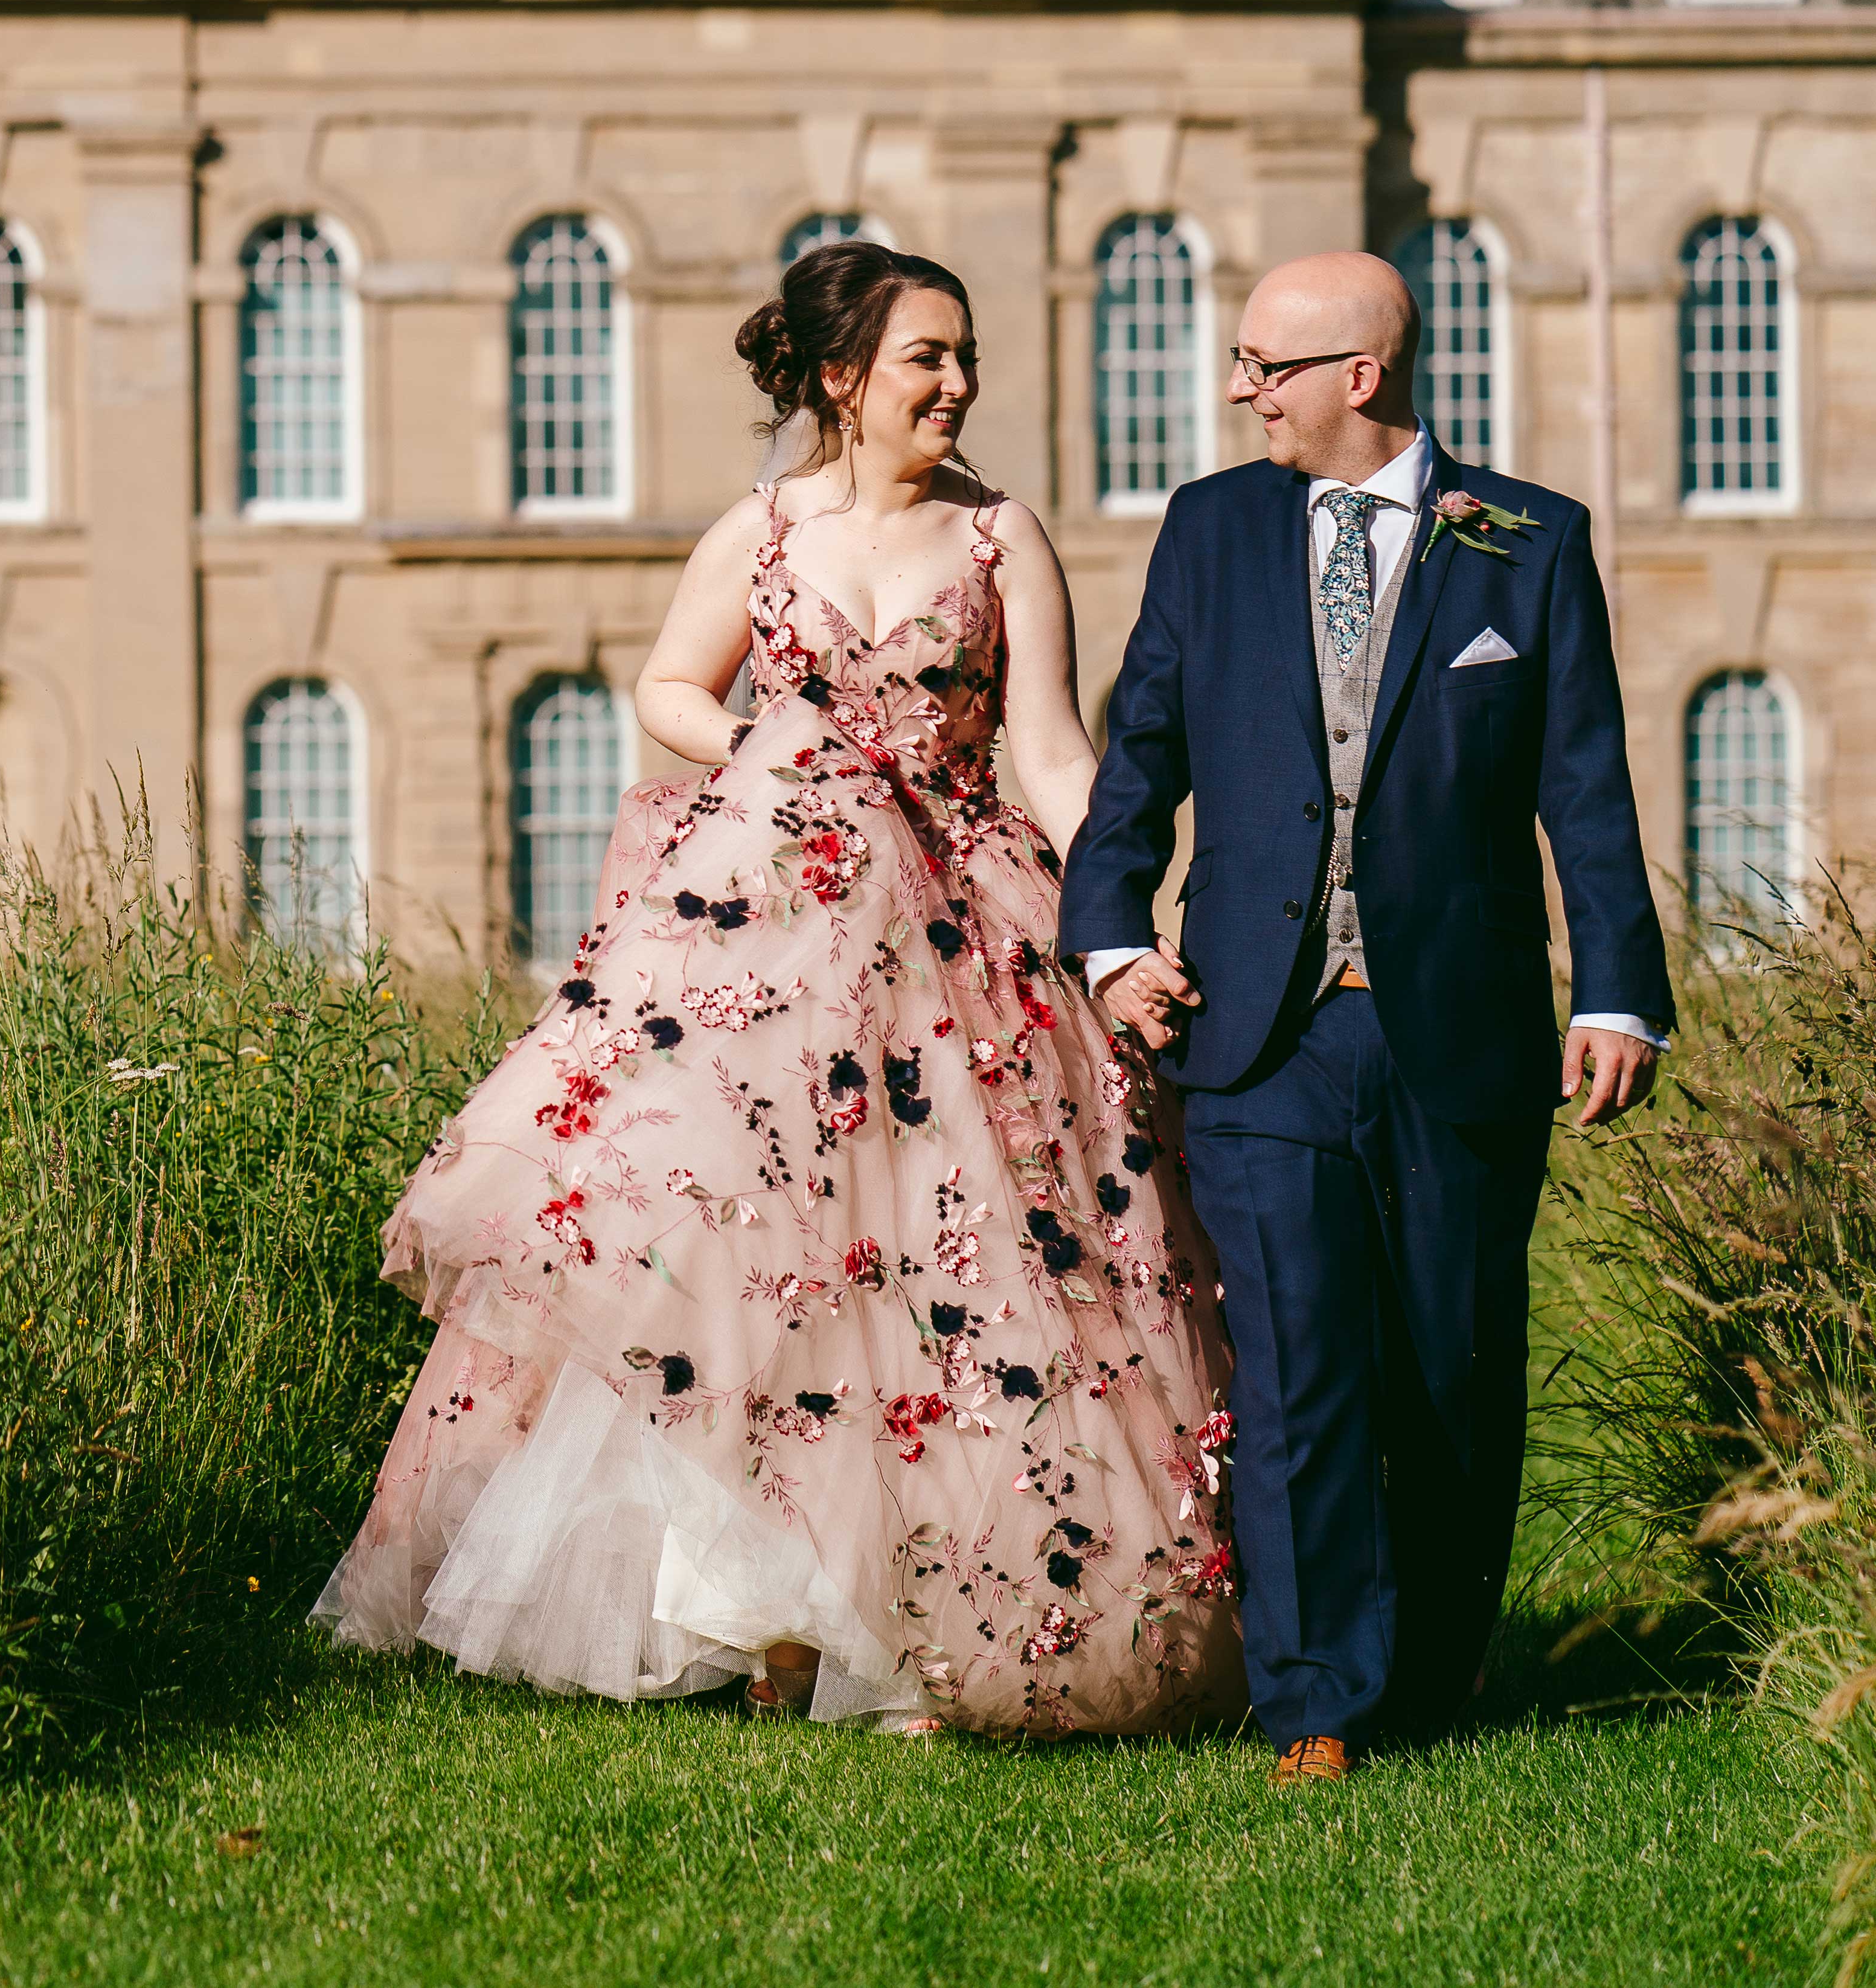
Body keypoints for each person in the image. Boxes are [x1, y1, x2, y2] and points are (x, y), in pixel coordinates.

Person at [315, 240, 1240, 1737]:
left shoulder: (1000, 535)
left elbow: (1052, 748)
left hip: (961, 937)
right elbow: (668, 687)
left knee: (955, 1269)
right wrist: (772, 750)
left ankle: (930, 1631)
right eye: (927, 356)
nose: (959, 381)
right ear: (840, 379)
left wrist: (1116, 920)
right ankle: (769, 1617)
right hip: (778, 941)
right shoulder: (756, 533)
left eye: (965, 354)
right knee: (763, 1267)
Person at [1059, 250, 1673, 1785]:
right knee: (1295, 1373)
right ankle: (1317, 1701)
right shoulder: (1208, 529)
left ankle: (1438, 1669)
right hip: (1255, 1027)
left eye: (1265, 364)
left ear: (1360, 374)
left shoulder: (1526, 538)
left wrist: (1616, 988)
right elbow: (1141, 753)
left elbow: (1583, 784)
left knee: (1453, 1366)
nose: (1239, 389)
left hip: (1456, 1024)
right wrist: (1112, 937)